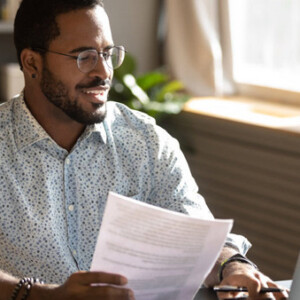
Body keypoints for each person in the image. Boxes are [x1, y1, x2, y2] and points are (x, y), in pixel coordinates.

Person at [0, 0, 289, 299]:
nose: (104, 71)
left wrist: (233, 267)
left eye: (108, 54)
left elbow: (197, 236)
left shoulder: (146, 140)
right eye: (84, 57)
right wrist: (46, 295)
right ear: (33, 63)